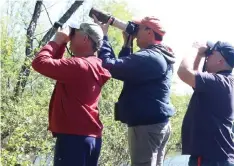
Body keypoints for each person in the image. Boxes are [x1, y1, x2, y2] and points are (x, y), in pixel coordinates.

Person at [93, 15, 175, 166]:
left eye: (139, 28)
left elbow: (109, 66)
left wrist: (104, 37)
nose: (135, 32)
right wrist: (127, 45)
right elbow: (126, 72)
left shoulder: (149, 57)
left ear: (150, 32)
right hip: (156, 124)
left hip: (146, 127)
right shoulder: (161, 54)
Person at [32, 22, 111, 166]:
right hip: (89, 138)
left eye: (74, 34)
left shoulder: (80, 66)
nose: (70, 37)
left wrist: (57, 40)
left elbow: (39, 63)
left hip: (73, 139)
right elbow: (56, 67)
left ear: (85, 39)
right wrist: (62, 44)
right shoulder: (93, 64)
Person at [177, 41, 234, 166]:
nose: (208, 55)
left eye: (211, 53)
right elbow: (194, 74)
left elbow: (184, 72)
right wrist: (200, 56)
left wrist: (195, 49)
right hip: (213, 157)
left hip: (212, 159)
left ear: (220, 61)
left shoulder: (219, 82)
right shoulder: (222, 81)